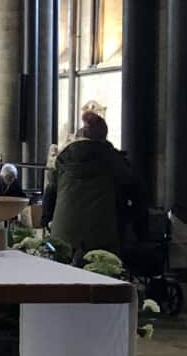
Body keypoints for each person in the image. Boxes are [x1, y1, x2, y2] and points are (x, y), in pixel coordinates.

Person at [43, 113, 141, 264]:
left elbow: (50, 192)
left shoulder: (63, 159)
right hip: (102, 236)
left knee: (62, 280)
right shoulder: (114, 160)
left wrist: (46, 220)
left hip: (62, 236)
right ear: (103, 136)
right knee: (101, 277)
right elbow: (137, 193)